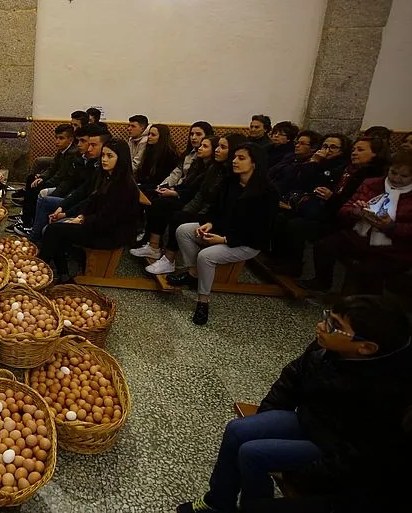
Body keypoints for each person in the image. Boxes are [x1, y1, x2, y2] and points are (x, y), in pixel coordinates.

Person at [177, 295, 412, 513]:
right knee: (238, 430)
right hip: (310, 421)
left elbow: (357, 460)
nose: (321, 326)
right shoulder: (327, 346)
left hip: (333, 449)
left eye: (334, 324)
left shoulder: (389, 392)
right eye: (327, 317)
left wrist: (299, 473)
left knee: (253, 453)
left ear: (366, 347)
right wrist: (266, 417)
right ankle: (218, 501)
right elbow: (291, 379)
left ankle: (253, 506)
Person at [168, 144, 279, 325]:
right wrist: (209, 224)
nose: (234, 161)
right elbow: (216, 210)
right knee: (183, 230)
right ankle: (193, 273)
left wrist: (225, 239)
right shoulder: (231, 182)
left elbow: (261, 230)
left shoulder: (268, 193)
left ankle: (203, 302)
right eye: (234, 157)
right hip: (223, 231)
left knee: (206, 256)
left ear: (255, 163)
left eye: (241, 158)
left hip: (246, 242)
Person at [270, 136, 388, 278]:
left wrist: (331, 197)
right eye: (354, 149)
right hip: (325, 209)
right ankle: (279, 259)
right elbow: (309, 182)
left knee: (297, 225)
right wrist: (315, 164)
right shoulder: (344, 168)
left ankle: (297, 268)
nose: (354, 152)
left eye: (360, 150)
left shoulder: (372, 177)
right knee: (282, 216)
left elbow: (355, 203)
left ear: (375, 154)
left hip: (344, 219)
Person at [301, 148, 412, 294]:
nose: (397, 179)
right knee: (325, 245)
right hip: (360, 236)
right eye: (393, 173)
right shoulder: (372, 183)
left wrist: (391, 226)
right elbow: (346, 208)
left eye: (404, 176)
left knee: (370, 271)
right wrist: (356, 211)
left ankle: (369, 307)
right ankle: (322, 282)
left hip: (393, 247)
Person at [39, 138, 140, 282]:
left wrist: (83, 220)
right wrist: (79, 216)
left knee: (54, 231)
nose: (104, 159)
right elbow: (91, 201)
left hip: (110, 234)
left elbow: (108, 220)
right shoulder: (107, 177)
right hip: (98, 225)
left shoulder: (124, 186)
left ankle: (40, 269)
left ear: (121, 159)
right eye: (103, 155)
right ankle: (62, 274)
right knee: (56, 229)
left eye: (110, 156)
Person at [145, 135, 246, 275]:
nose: (217, 150)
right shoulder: (214, 168)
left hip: (215, 218)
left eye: (222, 147)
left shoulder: (233, 176)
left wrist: (196, 216)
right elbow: (199, 196)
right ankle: (153, 247)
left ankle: (169, 260)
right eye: (217, 146)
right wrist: (187, 211)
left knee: (178, 216)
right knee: (163, 205)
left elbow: (215, 204)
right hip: (204, 210)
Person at [134, 135, 215, 263]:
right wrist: (172, 190)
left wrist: (175, 193)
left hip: (193, 204)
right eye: (200, 145)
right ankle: (152, 245)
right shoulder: (198, 164)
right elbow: (185, 184)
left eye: (204, 146)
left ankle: (168, 258)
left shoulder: (213, 170)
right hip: (184, 196)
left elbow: (195, 194)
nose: (199, 148)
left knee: (170, 211)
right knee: (156, 200)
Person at [24, 125, 105, 241]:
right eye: (79, 141)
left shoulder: (96, 166)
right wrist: (43, 178)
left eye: (84, 141)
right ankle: (32, 230)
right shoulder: (82, 159)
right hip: (73, 195)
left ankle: (34, 235)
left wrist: (68, 213)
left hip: (85, 210)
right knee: (38, 188)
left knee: (48, 221)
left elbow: (89, 199)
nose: (79, 145)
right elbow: (70, 181)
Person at [13, 123, 77, 230]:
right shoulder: (62, 150)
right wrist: (42, 177)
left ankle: (28, 224)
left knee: (35, 187)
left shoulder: (72, 153)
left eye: (61, 138)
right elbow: (52, 168)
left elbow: (60, 176)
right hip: (56, 180)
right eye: (56, 138)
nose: (57, 141)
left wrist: (44, 182)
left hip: (62, 185)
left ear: (70, 139)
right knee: (32, 179)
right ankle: (26, 217)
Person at [157, 121, 215, 191]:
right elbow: (176, 174)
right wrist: (161, 186)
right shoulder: (188, 153)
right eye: (191, 134)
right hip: (176, 188)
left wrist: (175, 191)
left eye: (198, 134)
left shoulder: (207, 158)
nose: (193, 137)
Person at [268, 129, 322, 200]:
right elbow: (272, 170)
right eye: (296, 143)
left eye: (302, 144)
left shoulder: (312, 163)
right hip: (272, 189)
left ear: (313, 147)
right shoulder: (290, 156)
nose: (297, 146)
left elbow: (293, 180)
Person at [136, 124, 180, 193]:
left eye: (153, 135)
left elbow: (161, 178)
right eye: (149, 134)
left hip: (160, 186)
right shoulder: (150, 149)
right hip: (146, 183)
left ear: (161, 137)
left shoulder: (169, 153)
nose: (149, 137)